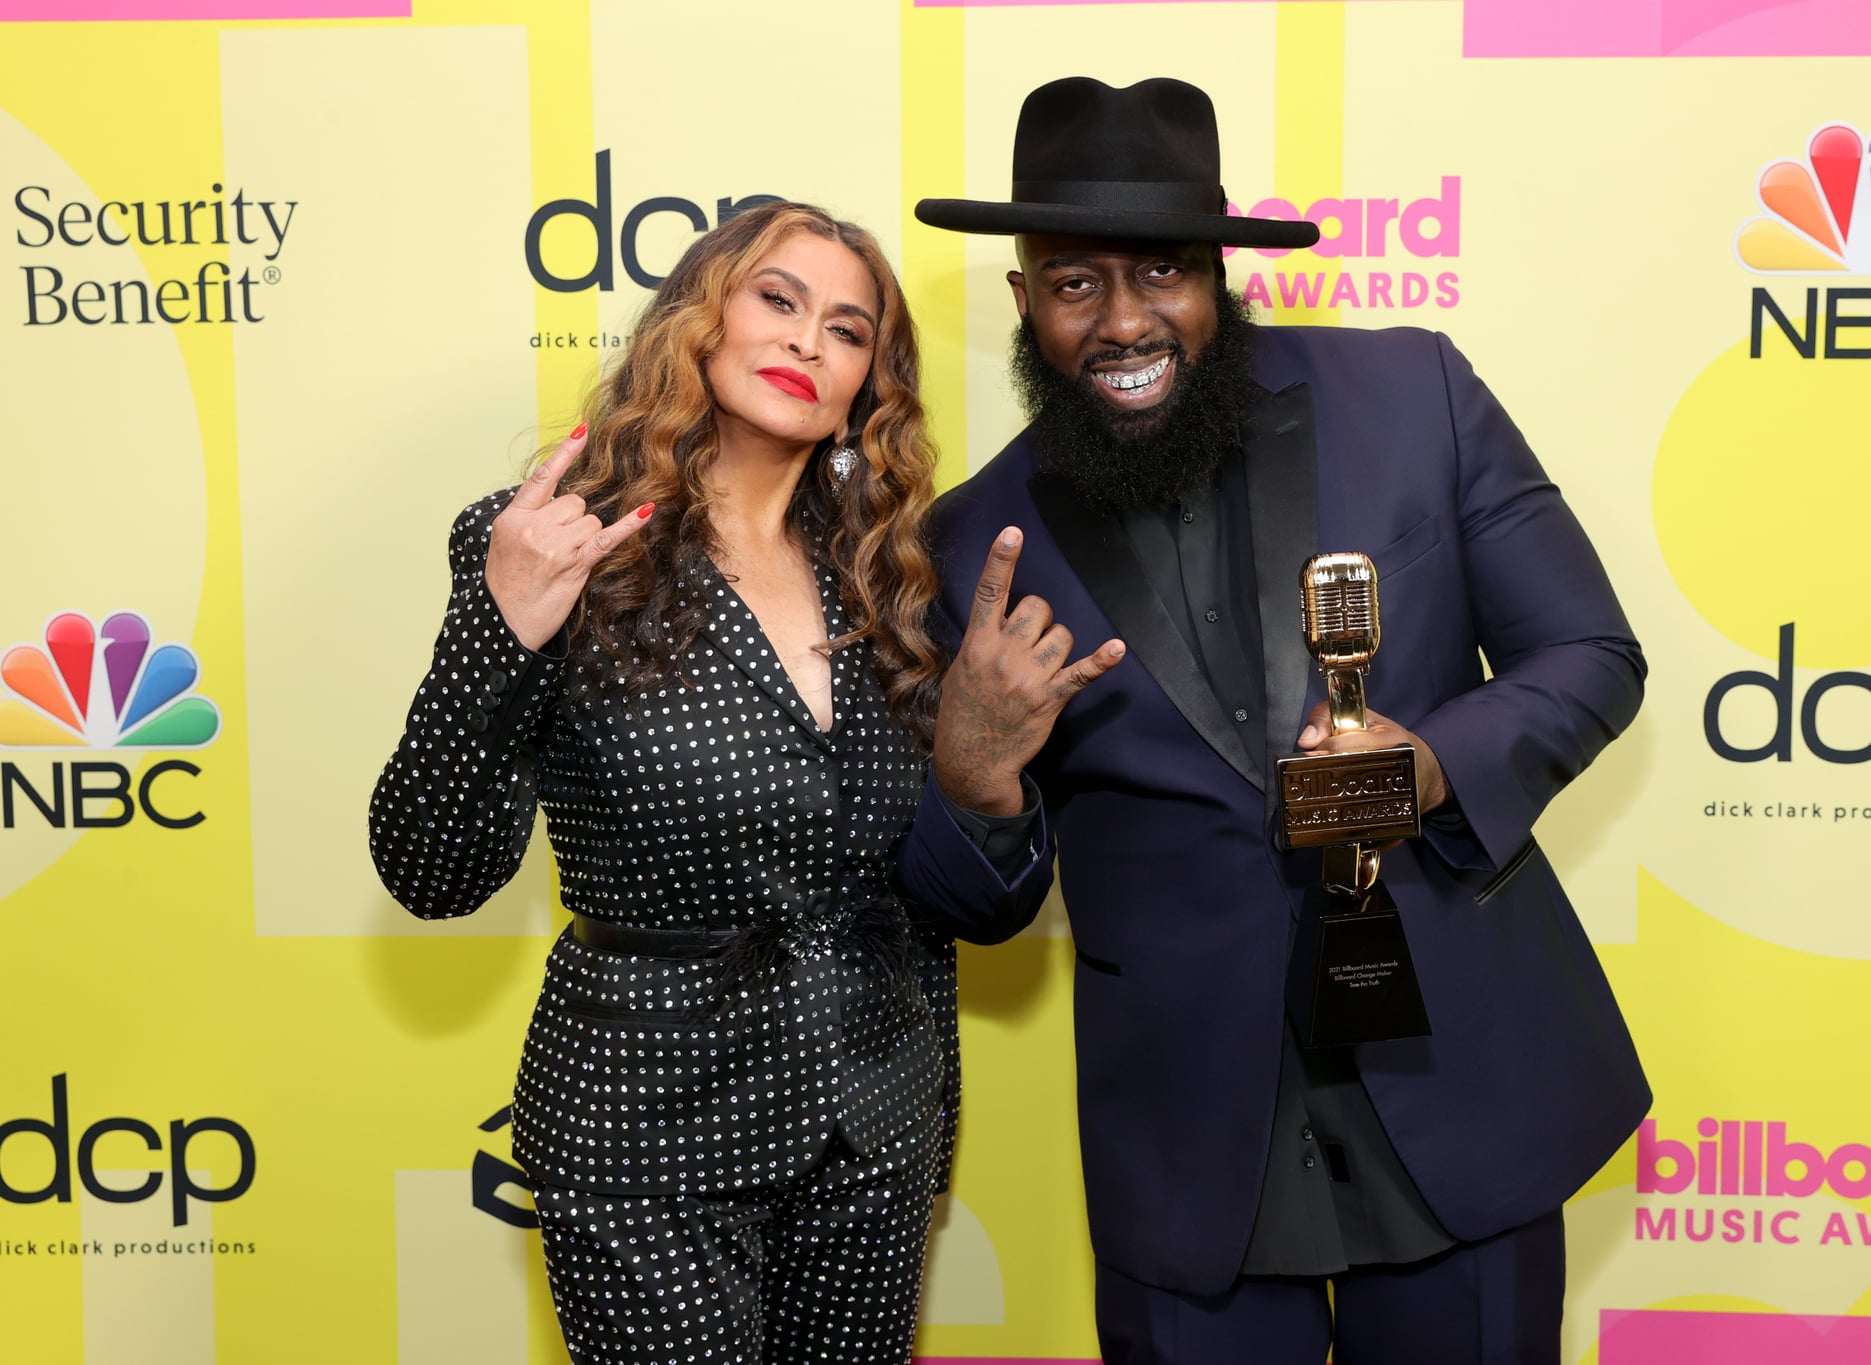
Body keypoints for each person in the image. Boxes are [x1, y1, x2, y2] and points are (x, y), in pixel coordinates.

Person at [893, 77, 1652, 1362]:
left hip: (1454, 1087)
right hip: (1189, 1148)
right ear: (1020, 299)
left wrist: (1430, 767)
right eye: (1075, 282)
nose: (1125, 320)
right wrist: (971, 776)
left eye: (1163, 273)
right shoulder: (974, 541)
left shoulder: (1413, 393)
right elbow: (972, 909)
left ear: (1220, 275)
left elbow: (1588, 652)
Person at [368, 201, 961, 1364]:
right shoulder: (557, 539)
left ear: (865, 387)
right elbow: (430, 871)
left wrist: (922, 1117)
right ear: (700, 318)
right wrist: (501, 632)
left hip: (873, 1115)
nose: (805, 343)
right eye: (777, 301)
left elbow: (908, 883)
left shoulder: (885, 576)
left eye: (845, 331)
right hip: (646, 1123)